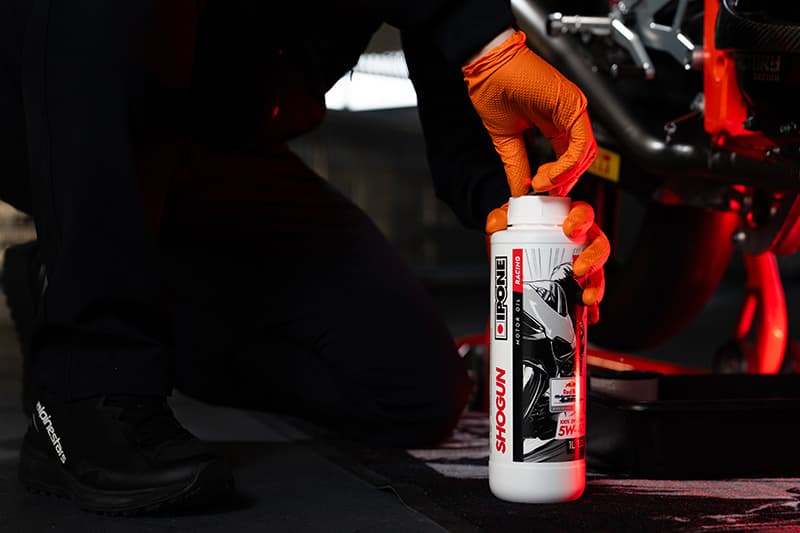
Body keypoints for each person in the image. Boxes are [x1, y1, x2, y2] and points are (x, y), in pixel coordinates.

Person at [0, 0, 608, 514]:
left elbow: (462, 134)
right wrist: (483, 35)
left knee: (413, 391)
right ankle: (85, 378)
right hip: (56, 96)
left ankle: (64, 284)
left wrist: (531, 211)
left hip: (214, 146)